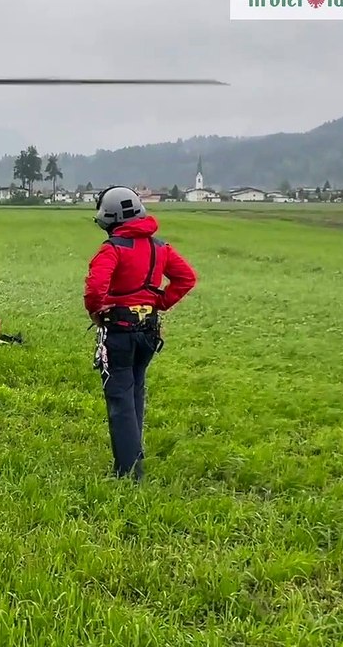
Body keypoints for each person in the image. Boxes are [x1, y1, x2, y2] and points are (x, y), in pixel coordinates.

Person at [84, 186, 197, 481]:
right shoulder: (160, 247)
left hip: (119, 332)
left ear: (109, 217)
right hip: (148, 332)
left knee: (120, 399)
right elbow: (186, 278)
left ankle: (129, 472)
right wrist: (160, 302)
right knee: (135, 391)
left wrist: (96, 310)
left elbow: (95, 288)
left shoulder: (112, 249)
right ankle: (134, 456)